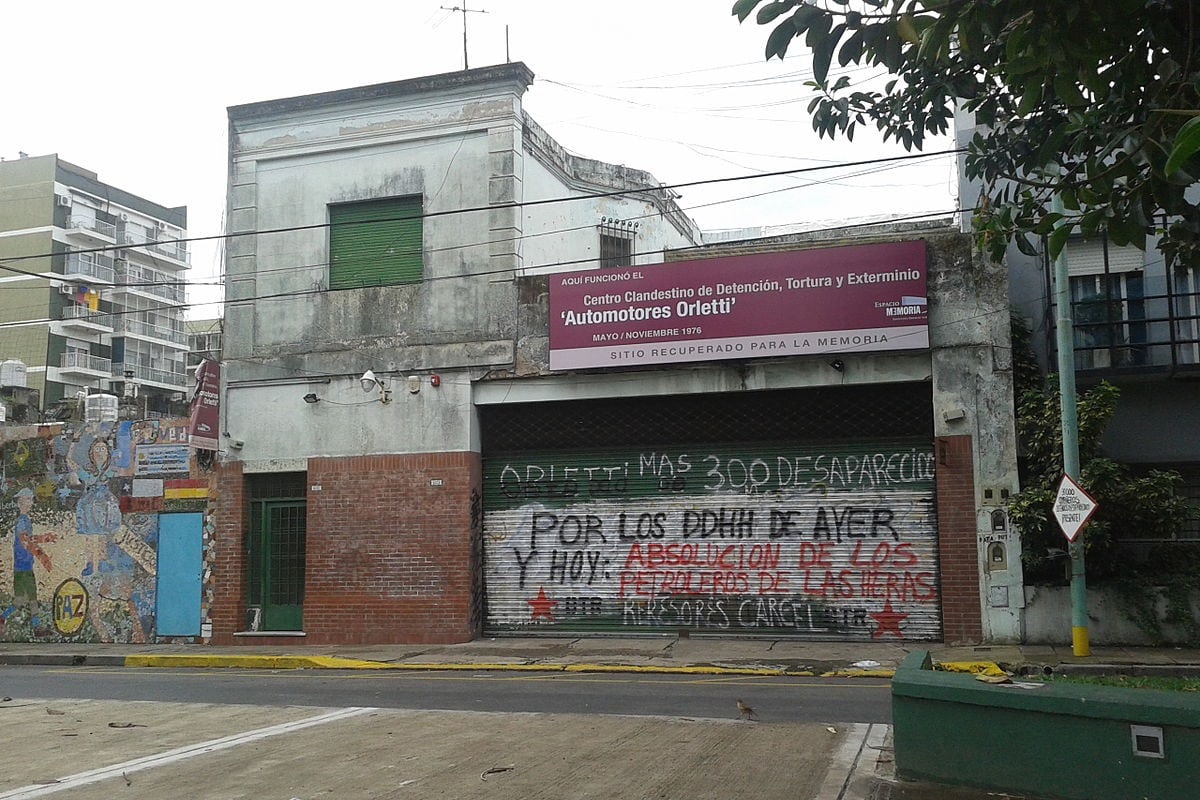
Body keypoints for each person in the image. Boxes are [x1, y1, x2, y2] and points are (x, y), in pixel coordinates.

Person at [3, 488, 55, 630]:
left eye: (31, 499)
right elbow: (25, 540)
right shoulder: (22, 520)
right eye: (27, 499)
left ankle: (3, 618)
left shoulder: (24, 520)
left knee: (22, 599)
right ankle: (36, 627)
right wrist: (44, 541)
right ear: (20, 502)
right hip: (23, 565)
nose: (30, 503)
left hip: (23, 565)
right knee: (30, 598)